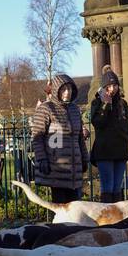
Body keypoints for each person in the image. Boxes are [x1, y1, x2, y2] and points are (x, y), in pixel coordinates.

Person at [32, 74, 88, 202]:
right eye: (64, 89)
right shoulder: (46, 109)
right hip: (57, 168)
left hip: (75, 168)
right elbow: (37, 137)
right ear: (57, 90)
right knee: (61, 210)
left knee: (76, 211)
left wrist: (84, 158)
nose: (67, 92)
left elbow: (79, 138)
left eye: (70, 88)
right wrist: (42, 159)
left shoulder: (75, 109)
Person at [89, 66, 128, 203]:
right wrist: (105, 105)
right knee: (107, 186)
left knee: (117, 187)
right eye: (109, 86)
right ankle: (106, 216)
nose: (112, 89)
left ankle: (116, 218)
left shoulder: (122, 103)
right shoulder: (96, 103)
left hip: (121, 150)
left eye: (114, 85)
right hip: (104, 151)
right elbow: (97, 123)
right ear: (103, 87)